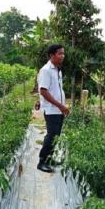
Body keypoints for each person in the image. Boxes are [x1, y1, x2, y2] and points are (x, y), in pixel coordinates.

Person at [37, 44, 69, 173]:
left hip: (58, 109)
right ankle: (42, 162)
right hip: (51, 110)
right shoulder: (46, 70)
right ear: (51, 55)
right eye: (59, 53)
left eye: (63, 53)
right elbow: (43, 91)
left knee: (56, 135)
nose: (62, 56)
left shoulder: (57, 70)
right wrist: (60, 106)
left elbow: (56, 90)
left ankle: (49, 159)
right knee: (51, 136)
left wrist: (62, 106)